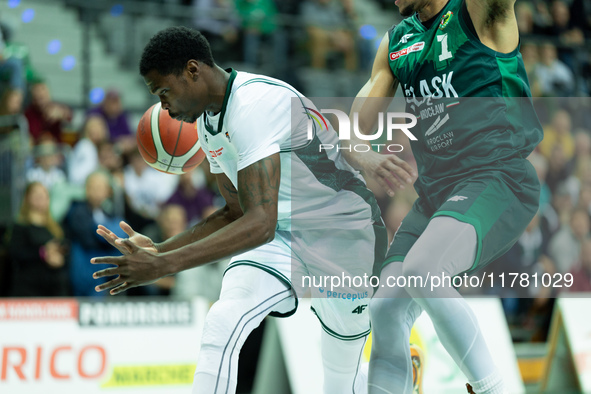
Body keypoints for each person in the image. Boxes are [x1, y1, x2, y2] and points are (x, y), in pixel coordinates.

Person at [91, 26, 389, 394]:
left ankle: (398, 380)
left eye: (164, 92)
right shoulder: (207, 124)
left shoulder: (254, 105)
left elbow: (259, 222)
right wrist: (159, 250)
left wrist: (165, 266)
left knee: (340, 380)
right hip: (282, 234)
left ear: (192, 70)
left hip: (344, 232)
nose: (163, 106)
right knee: (223, 319)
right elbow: (235, 211)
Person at [342, 0, 543, 393]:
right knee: (384, 308)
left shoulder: (479, 12)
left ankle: (493, 388)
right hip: (435, 195)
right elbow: (356, 126)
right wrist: (361, 153)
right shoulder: (397, 41)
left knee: (422, 271)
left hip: (496, 177)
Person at [6, 182, 68, 297]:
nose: (40, 198)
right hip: (28, 288)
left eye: (44, 195)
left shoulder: (55, 227)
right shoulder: (20, 226)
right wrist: (43, 253)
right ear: (27, 198)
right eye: (36, 194)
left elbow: (66, 250)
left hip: (54, 288)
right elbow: (15, 253)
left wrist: (59, 255)